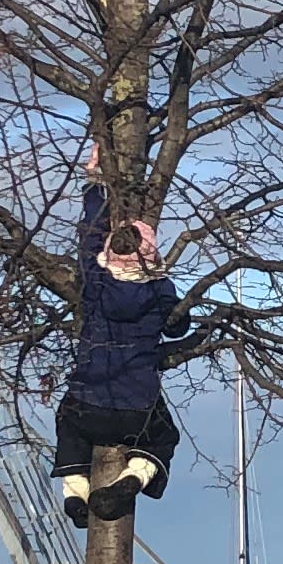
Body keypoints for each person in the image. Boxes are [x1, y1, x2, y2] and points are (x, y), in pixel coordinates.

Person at [54, 166, 189, 521]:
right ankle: (135, 474)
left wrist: (95, 185)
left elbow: (89, 233)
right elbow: (177, 328)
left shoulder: (95, 282)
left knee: (68, 424)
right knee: (163, 437)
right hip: (137, 406)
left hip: (87, 399)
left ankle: (75, 490)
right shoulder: (160, 290)